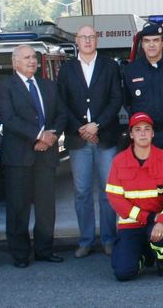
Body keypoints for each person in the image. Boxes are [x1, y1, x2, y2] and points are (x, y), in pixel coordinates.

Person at [0, 44, 66, 268]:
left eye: (34, 57)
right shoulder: (5, 86)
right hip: (18, 157)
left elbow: (62, 114)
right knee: (18, 207)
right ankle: (20, 254)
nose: (32, 61)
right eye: (26, 58)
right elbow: (8, 118)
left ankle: (45, 250)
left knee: (46, 207)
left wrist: (51, 137)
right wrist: (38, 136)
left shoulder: (49, 86)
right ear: (15, 62)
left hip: (46, 155)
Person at [57, 25, 124, 258]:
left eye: (92, 37)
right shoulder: (66, 69)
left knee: (108, 191)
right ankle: (85, 240)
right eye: (83, 37)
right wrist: (80, 128)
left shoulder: (110, 66)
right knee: (82, 191)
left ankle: (109, 239)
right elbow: (61, 103)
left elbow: (117, 99)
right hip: (78, 139)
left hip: (105, 137)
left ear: (97, 39)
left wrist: (98, 125)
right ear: (76, 40)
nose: (87, 41)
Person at [123, 22, 163, 250]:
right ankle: (147, 229)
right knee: (145, 184)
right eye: (147, 41)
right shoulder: (130, 71)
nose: (151, 45)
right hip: (143, 137)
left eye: (155, 41)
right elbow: (127, 102)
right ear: (142, 44)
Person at [105, 112, 163, 280]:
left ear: (153, 133)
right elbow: (115, 198)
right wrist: (144, 217)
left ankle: (162, 257)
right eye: (138, 129)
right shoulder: (119, 161)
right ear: (131, 134)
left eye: (147, 129)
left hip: (158, 222)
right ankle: (144, 255)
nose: (142, 133)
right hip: (131, 225)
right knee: (123, 273)